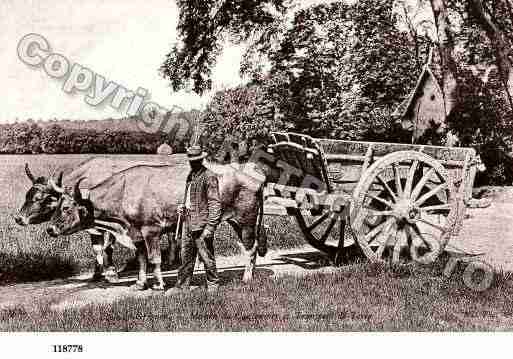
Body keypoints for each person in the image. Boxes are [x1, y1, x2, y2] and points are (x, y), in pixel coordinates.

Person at [167, 145, 222, 293]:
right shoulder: (191, 175)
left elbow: (215, 203)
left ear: (201, 160)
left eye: (196, 160)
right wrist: (183, 206)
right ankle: (182, 286)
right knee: (185, 256)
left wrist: (210, 227)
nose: (192, 162)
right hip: (188, 221)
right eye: (191, 160)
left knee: (206, 256)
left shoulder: (209, 176)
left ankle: (213, 284)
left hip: (202, 224)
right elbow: (190, 197)